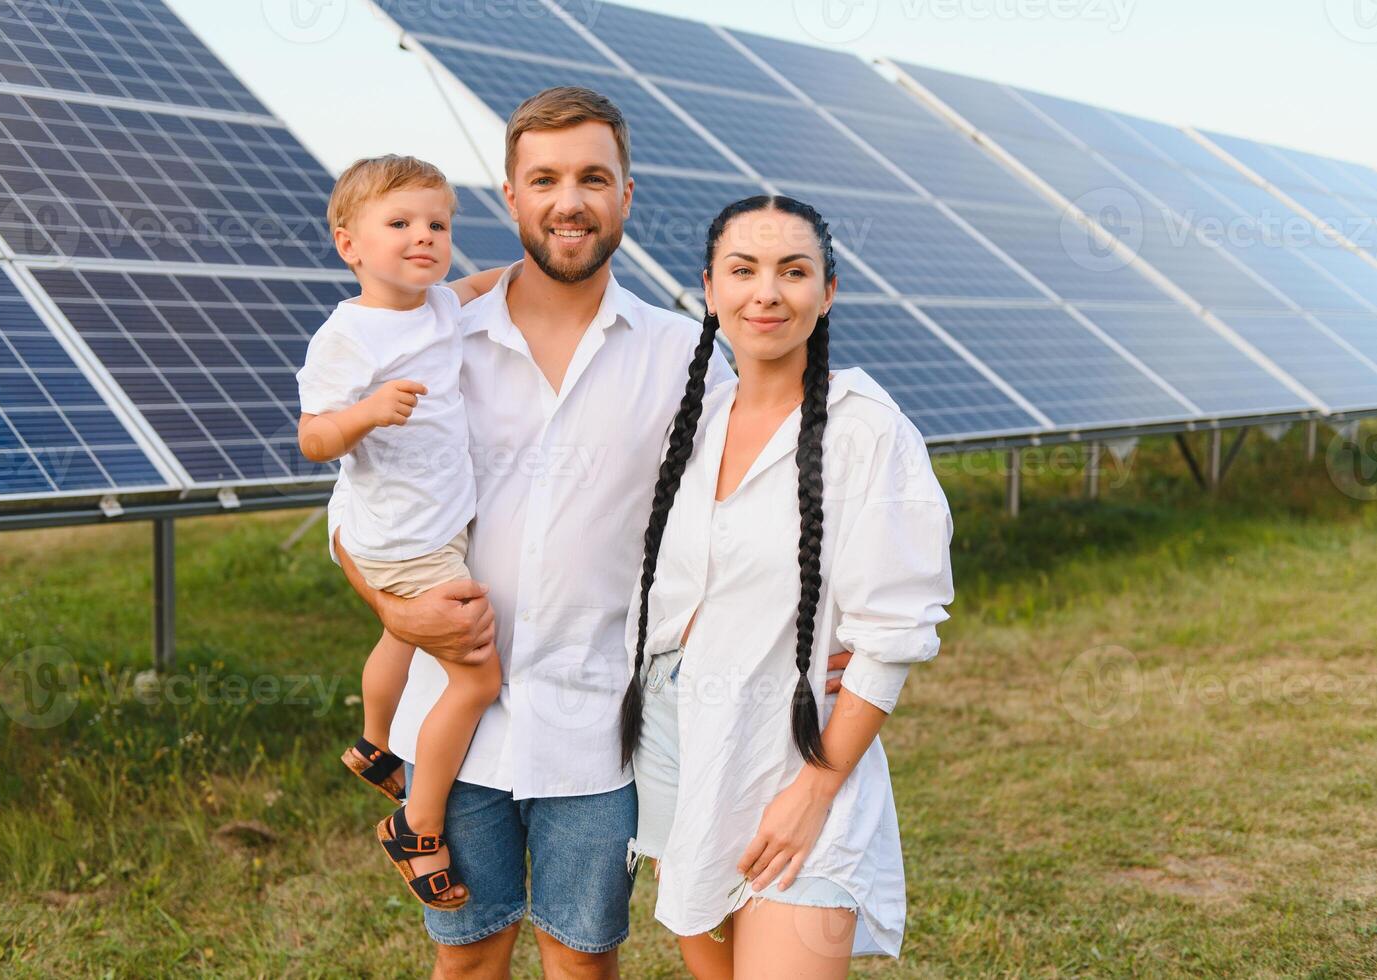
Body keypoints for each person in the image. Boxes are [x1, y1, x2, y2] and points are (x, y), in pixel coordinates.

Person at [325, 88, 861, 979]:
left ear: (625, 194)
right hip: (453, 726)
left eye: (591, 178)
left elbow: (743, 513)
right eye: (544, 178)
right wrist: (393, 609)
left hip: (597, 728)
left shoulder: (678, 357)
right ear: (510, 196)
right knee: (468, 959)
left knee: (582, 962)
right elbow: (355, 510)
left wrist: (824, 629)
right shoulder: (436, 339)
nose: (567, 200)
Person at [621, 195, 956, 978]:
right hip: (673, 738)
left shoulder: (867, 430)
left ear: (827, 292)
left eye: (792, 271)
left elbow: (894, 630)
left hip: (792, 745)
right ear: (709, 289)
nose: (765, 293)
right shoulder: (692, 425)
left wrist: (813, 790)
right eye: (742, 271)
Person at [295, 154, 504, 909]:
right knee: (477, 677)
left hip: (432, 525)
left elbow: (482, 287)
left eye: (438, 224)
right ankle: (415, 827)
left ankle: (374, 742)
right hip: (406, 536)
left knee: (400, 638)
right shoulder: (348, 337)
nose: (424, 236)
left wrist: (532, 268)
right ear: (350, 245)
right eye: (400, 223)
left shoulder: (440, 307)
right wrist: (366, 412)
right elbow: (314, 438)